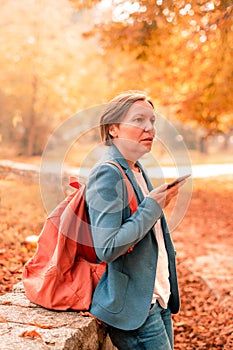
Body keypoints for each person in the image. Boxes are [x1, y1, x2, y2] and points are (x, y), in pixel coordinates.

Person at [85, 91, 184, 350]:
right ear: (114, 129)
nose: (150, 128)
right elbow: (107, 247)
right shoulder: (108, 173)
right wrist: (152, 207)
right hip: (136, 310)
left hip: (157, 299)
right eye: (139, 119)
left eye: (152, 121)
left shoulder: (137, 169)